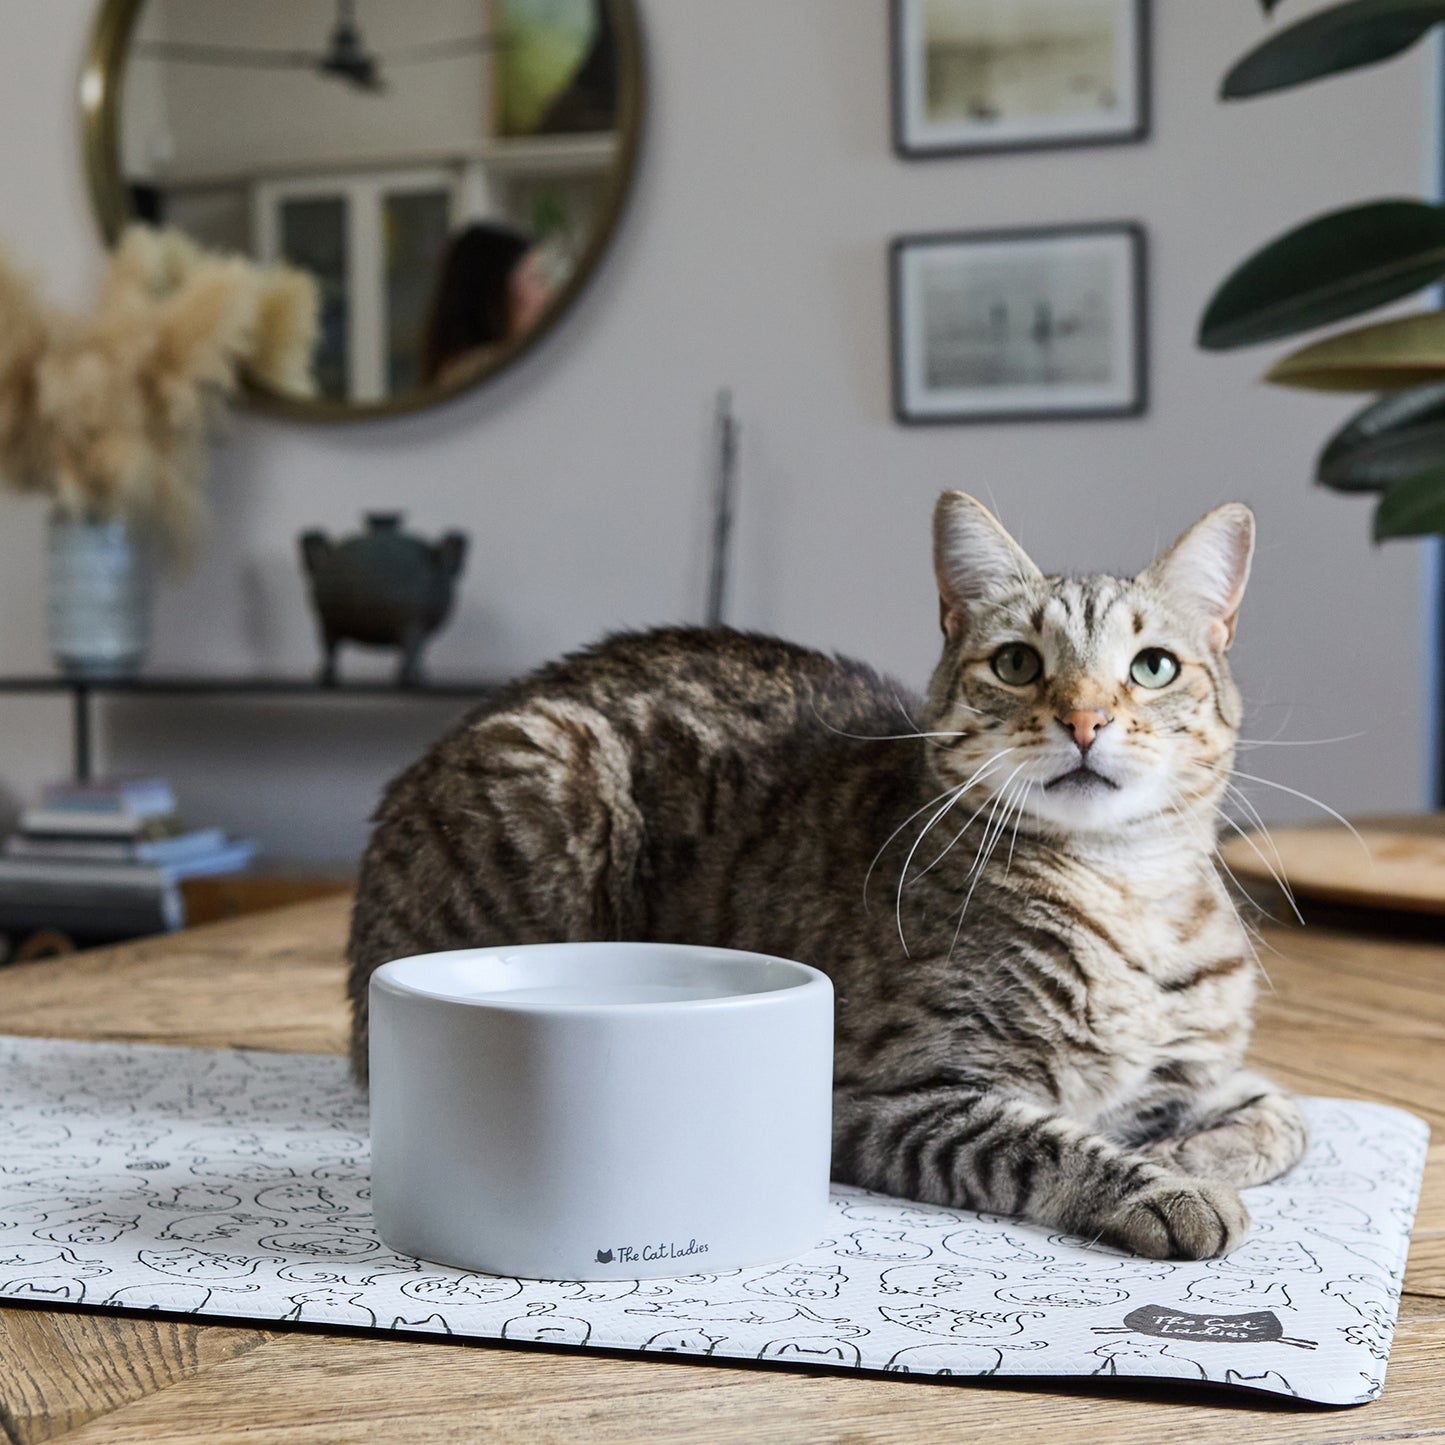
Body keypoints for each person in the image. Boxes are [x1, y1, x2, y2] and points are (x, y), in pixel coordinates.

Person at [421, 222, 552, 387]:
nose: (547, 296)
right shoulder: (485, 374)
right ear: (499, 291)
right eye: (537, 278)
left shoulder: (463, 370)